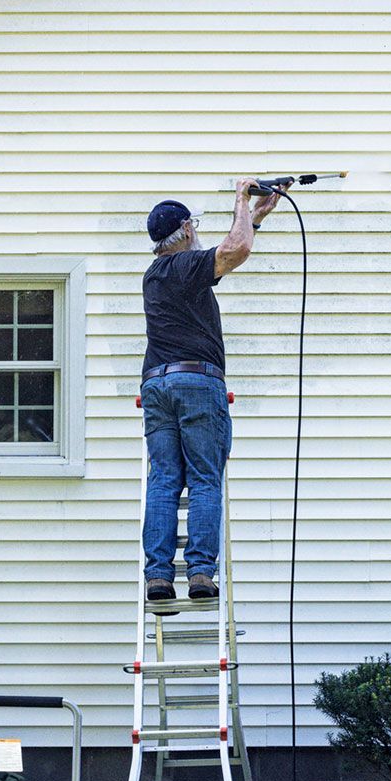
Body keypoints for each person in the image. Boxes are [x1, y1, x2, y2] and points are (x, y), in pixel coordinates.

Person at [140, 179, 277, 602]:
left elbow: (230, 248)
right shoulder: (186, 266)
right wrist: (241, 196)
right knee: (203, 478)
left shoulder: (157, 274)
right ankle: (200, 572)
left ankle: (159, 576)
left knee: (164, 479)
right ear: (185, 228)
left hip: (157, 384)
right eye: (194, 224)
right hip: (196, 383)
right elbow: (236, 250)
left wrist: (256, 215)